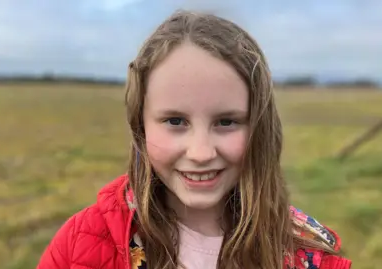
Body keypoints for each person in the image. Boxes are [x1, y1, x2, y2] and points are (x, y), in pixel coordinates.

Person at [37, 9, 352, 269]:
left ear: (260, 128)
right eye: (175, 121)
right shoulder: (80, 247)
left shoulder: (308, 256)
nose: (201, 153)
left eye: (226, 122)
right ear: (140, 126)